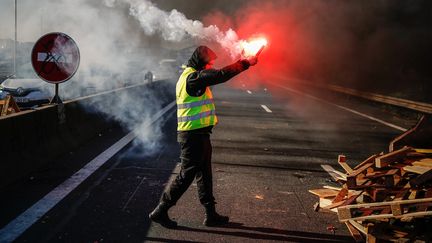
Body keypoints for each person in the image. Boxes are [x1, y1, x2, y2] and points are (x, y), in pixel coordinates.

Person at [149, 46, 258, 228]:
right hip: (192, 136)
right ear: (201, 62)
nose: (210, 68)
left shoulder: (193, 77)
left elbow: (218, 74)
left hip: (200, 134)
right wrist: (245, 63)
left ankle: (210, 214)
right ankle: (160, 210)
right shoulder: (193, 78)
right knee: (186, 175)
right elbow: (220, 74)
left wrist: (241, 61)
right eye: (208, 64)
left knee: (204, 175)